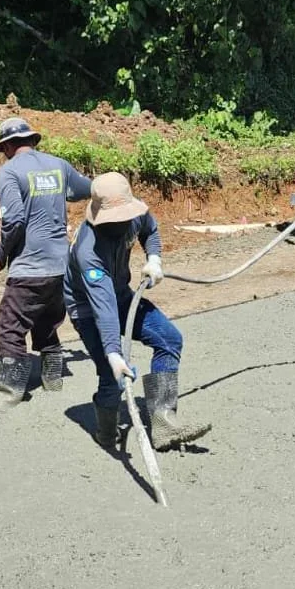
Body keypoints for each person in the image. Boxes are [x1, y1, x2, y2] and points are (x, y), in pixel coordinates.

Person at [65, 172, 211, 452]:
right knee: (112, 375)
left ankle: (164, 422)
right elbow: (104, 308)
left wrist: (154, 258)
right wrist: (113, 353)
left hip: (120, 293)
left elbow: (150, 230)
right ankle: (107, 432)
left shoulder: (136, 213)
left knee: (169, 340)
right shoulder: (88, 251)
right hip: (86, 307)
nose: (121, 221)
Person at [0, 116, 93, 404]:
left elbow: (14, 221)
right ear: (32, 140)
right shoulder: (58, 165)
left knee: (10, 327)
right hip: (62, 267)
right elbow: (88, 189)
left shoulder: (9, 172)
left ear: (8, 146)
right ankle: (53, 379)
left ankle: (11, 391)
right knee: (47, 322)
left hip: (29, 269)